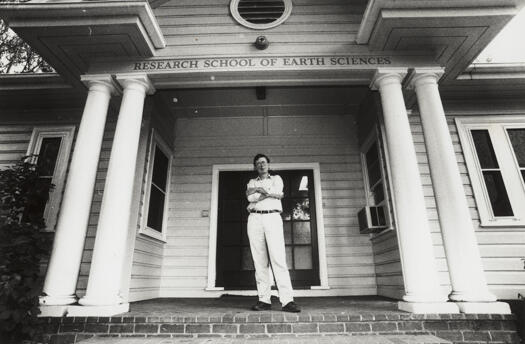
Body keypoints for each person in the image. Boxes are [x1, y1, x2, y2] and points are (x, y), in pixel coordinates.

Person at [245, 153, 300, 313]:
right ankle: (264, 300)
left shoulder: (277, 179)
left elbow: (278, 192)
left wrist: (261, 193)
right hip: (255, 219)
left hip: (273, 217)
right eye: (258, 163)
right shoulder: (251, 182)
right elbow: (250, 197)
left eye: (263, 162)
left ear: (268, 164)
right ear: (255, 167)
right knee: (259, 261)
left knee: (278, 259)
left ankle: (287, 300)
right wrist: (266, 193)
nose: (261, 165)